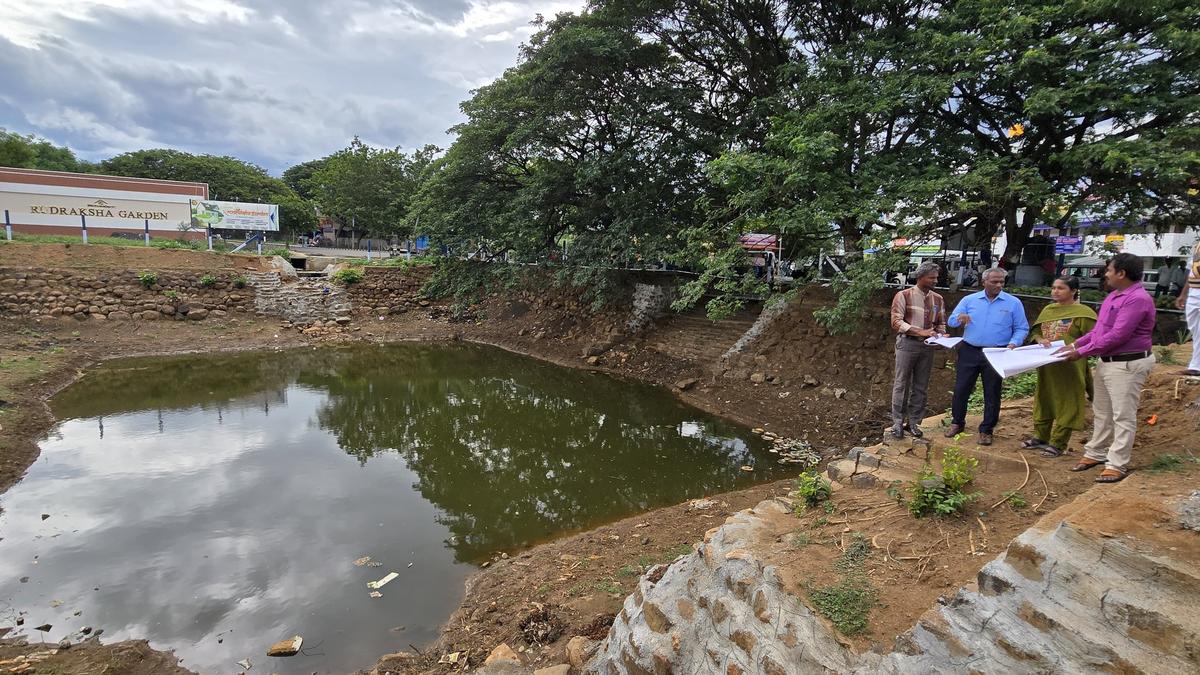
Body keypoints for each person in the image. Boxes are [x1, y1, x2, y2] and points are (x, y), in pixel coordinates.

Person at [1056, 253, 1156, 484]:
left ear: (1121, 273)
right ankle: (1096, 453)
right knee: (1102, 411)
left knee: (1123, 415)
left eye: (1109, 270)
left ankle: (1117, 463)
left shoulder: (1137, 299)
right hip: (1107, 362)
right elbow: (1099, 331)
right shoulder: (1114, 296)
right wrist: (1074, 344)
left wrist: (1080, 353)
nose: (1106, 274)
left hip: (1127, 364)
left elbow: (1118, 335)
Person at [945, 268, 1030, 445]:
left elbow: (1022, 327)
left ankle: (986, 429)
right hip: (970, 349)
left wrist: (1014, 343)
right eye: (994, 282)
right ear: (984, 282)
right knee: (962, 388)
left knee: (992, 391)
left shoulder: (1013, 303)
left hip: (996, 352)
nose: (999, 285)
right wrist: (959, 318)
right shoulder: (969, 300)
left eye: (1002, 282)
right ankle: (957, 422)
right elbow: (951, 320)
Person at [1021, 277, 1097, 457]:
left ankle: (1058, 442)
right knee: (1044, 398)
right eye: (1053, 287)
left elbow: (1094, 337)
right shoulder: (1048, 310)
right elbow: (1036, 332)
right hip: (1047, 365)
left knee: (1068, 401)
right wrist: (1040, 339)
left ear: (1073, 291)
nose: (1055, 291)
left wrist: (1076, 349)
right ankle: (1041, 436)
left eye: (1061, 288)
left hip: (1070, 365)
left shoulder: (1083, 313)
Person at [889, 262, 947, 439]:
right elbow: (896, 322)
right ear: (920, 277)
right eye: (932, 277)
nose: (935, 280)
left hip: (927, 346)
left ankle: (914, 422)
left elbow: (941, 323)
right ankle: (897, 422)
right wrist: (919, 331)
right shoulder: (904, 295)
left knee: (921, 385)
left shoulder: (938, 299)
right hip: (908, 344)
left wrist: (941, 335)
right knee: (901, 383)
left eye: (936, 277)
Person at [1176, 240, 1200, 376]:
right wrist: (1183, 294)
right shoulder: (1197, 246)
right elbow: (1192, 271)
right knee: (1195, 330)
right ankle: (1196, 366)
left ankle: (1196, 366)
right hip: (1194, 291)